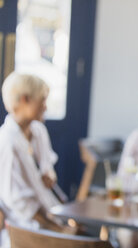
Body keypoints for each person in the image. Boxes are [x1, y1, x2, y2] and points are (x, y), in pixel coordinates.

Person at [0, 72, 68, 242]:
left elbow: (48, 168)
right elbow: (19, 203)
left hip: (51, 216)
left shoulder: (39, 131)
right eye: (42, 100)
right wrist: (59, 229)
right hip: (26, 231)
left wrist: (50, 176)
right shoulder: (7, 142)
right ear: (25, 100)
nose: (45, 107)